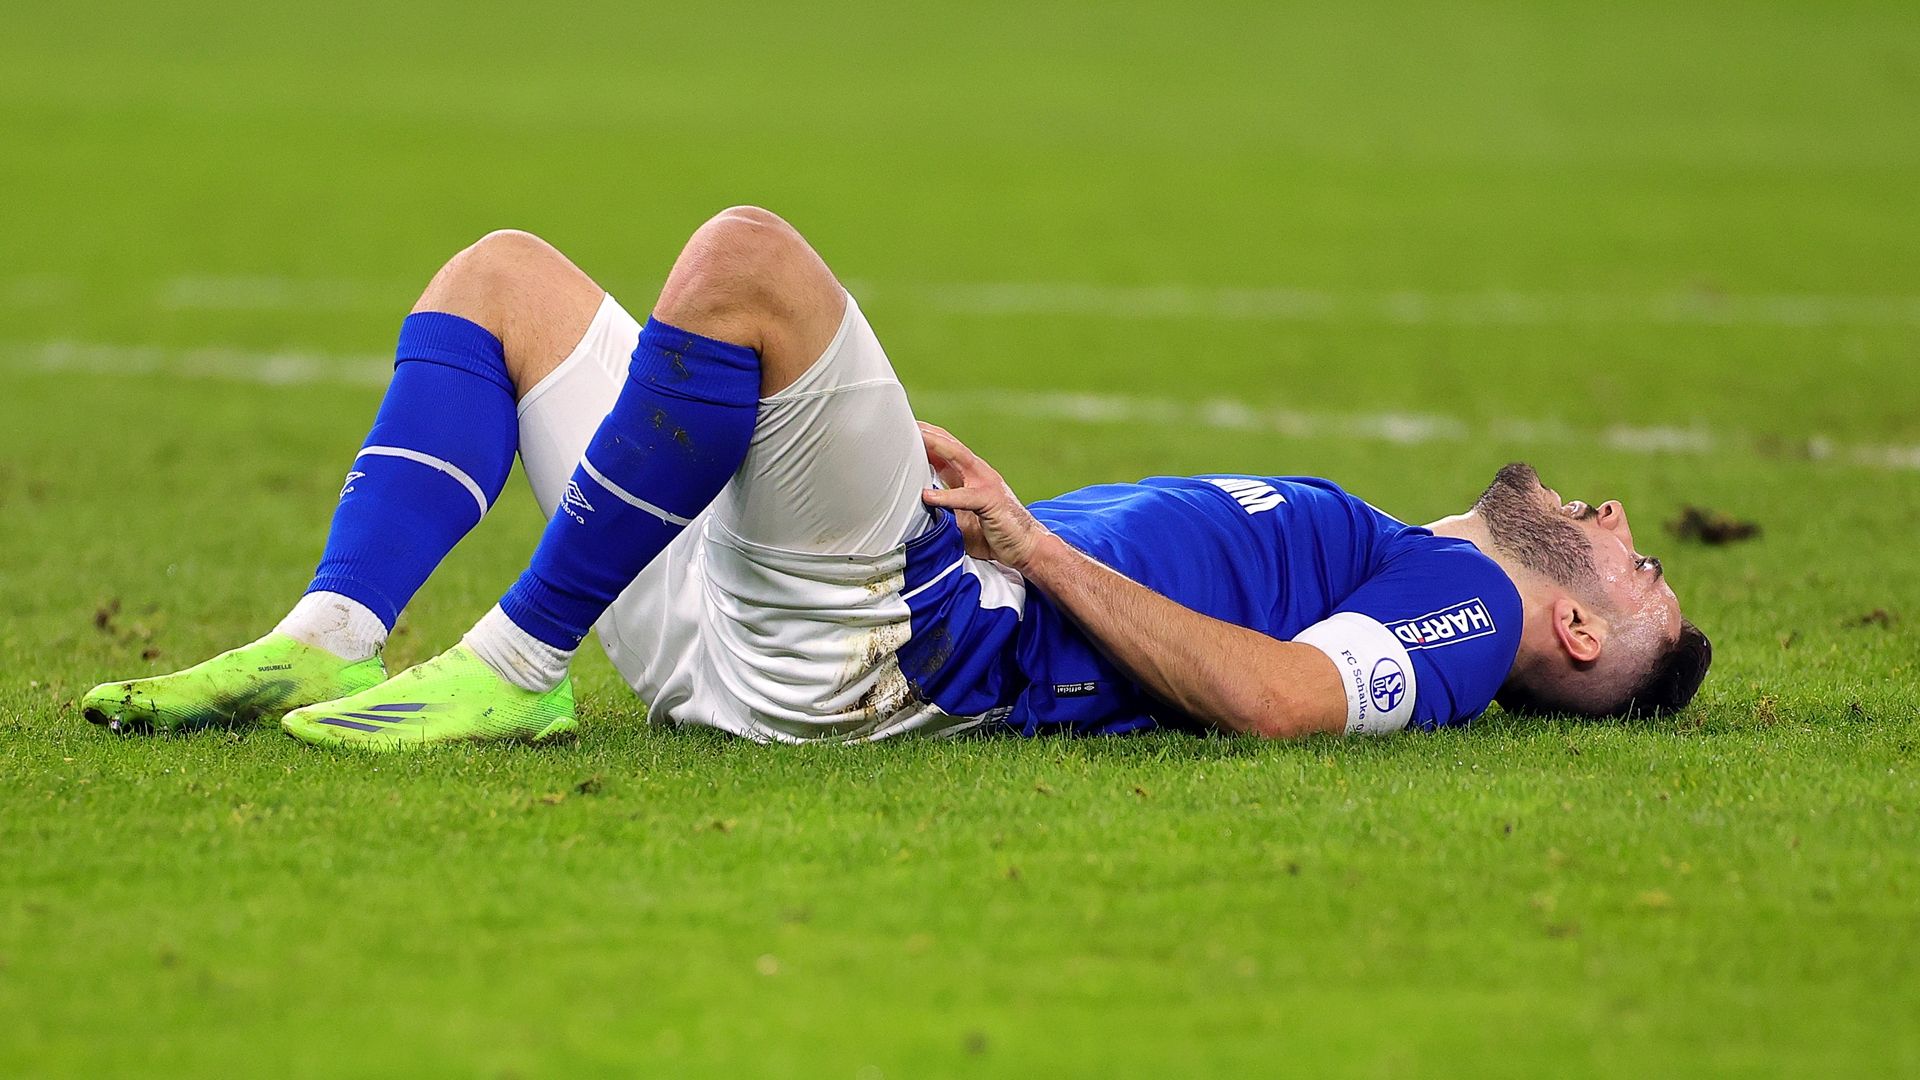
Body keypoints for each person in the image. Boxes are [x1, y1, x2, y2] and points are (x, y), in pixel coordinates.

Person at [80, 208, 1711, 747]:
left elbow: (1287, 703)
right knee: (504, 277)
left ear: (1572, 636)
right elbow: (1201, 613)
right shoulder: (1390, 549)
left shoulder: (1473, 612)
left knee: (746, 265)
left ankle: (515, 663)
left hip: (880, 642)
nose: (1619, 526)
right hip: (804, 615)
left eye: (1632, 571)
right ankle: (334, 626)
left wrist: (1033, 551)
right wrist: (1037, 521)